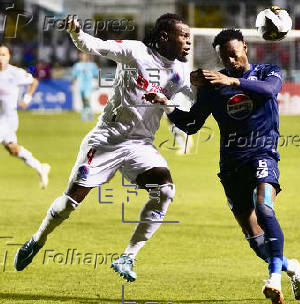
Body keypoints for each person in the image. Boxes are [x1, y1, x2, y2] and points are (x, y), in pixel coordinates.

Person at [14, 13, 192, 283]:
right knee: (69, 205)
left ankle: (128, 256)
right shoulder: (135, 52)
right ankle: (37, 240)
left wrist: (167, 101)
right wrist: (76, 32)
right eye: (184, 36)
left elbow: (186, 104)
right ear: (166, 37)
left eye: (190, 37)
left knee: (165, 190)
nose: (189, 42)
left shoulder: (179, 72)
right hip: (106, 140)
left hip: (140, 145)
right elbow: (95, 45)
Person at [145, 29, 300, 303]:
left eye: (234, 54)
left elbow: (270, 92)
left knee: (265, 208)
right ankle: (291, 268)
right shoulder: (213, 86)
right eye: (225, 57)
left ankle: (274, 278)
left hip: (262, 155)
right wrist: (168, 107)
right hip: (231, 166)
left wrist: (232, 81)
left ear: (245, 47)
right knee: (256, 240)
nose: (231, 61)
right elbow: (192, 124)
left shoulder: (267, 72)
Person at [0, 45, 50, 197]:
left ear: (8, 56)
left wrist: (27, 98)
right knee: (13, 150)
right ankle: (40, 167)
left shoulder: (15, 73)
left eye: (3, 55)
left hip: (8, 119)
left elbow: (34, 82)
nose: (0, 58)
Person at [71, 52, 98, 121]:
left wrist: (97, 83)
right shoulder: (77, 65)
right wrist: (72, 84)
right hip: (81, 85)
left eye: (86, 55)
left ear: (88, 56)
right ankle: (85, 116)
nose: (84, 57)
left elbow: (96, 74)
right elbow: (74, 75)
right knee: (83, 101)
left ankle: (89, 115)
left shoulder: (92, 65)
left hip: (89, 85)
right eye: (82, 55)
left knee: (86, 99)